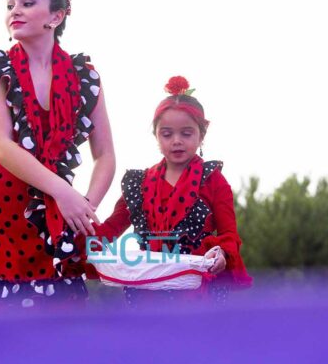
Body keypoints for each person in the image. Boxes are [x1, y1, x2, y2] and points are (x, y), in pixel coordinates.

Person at [0, 0, 115, 316]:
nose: (15, 11)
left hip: (59, 212)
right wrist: (64, 192)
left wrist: (83, 209)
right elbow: (1, 146)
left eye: (27, 3)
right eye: (10, 4)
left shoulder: (86, 75)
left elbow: (105, 155)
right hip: (1, 209)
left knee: (63, 322)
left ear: (56, 16)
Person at [83, 76, 251, 307]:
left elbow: (229, 234)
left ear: (202, 134)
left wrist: (221, 253)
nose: (176, 141)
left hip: (198, 291)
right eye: (167, 133)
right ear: (156, 135)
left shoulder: (214, 180)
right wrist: (80, 242)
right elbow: (112, 227)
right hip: (146, 291)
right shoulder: (138, 183)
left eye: (186, 133)